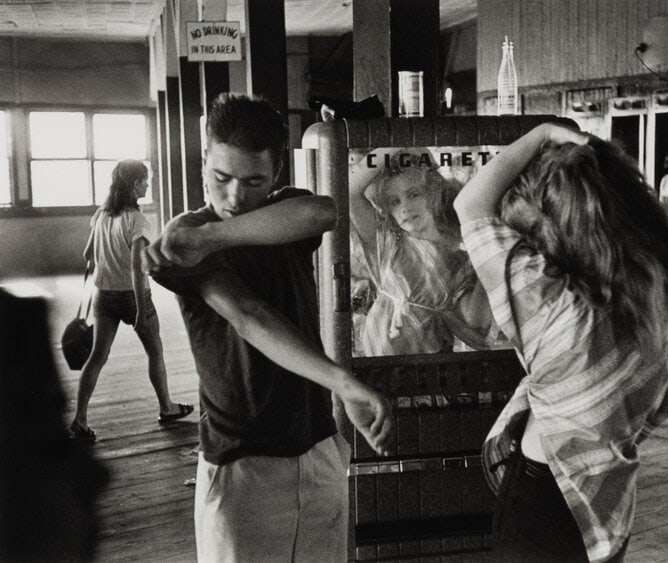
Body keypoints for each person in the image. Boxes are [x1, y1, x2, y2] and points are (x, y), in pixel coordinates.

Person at [141, 93, 392, 562]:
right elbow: (248, 317)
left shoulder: (273, 219)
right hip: (242, 460)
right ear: (203, 166)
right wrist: (345, 383)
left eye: (254, 181)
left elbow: (323, 212)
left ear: (276, 174)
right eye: (221, 178)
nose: (235, 197)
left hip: (316, 445)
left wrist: (211, 236)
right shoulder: (182, 241)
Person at [453, 123, 668, 562]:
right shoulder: (650, 302)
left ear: (552, 229)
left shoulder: (550, 299)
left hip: (541, 497)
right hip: (605, 499)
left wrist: (539, 135)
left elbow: (470, 203)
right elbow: (654, 410)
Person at [69, 160, 193, 443]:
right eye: (145, 180)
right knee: (155, 351)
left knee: (97, 358)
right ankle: (167, 408)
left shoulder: (101, 214)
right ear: (134, 183)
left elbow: (88, 254)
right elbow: (139, 269)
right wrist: (139, 309)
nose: (148, 184)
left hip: (104, 294)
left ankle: (80, 419)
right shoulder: (136, 220)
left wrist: (108, 254)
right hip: (132, 296)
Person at [349, 148, 494, 356]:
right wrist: (395, 143)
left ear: (434, 194)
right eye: (394, 202)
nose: (405, 207)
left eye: (414, 195)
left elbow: (475, 319)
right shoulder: (389, 242)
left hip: (429, 372)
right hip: (375, 367)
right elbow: (351, 191)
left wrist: (486, 256)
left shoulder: (461, 260)